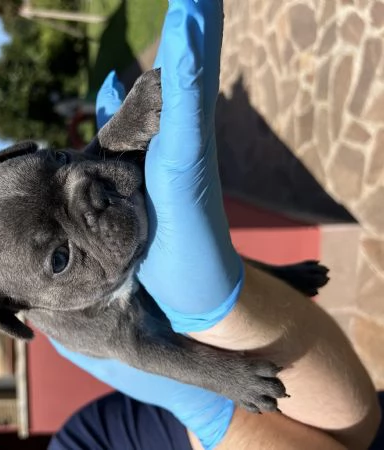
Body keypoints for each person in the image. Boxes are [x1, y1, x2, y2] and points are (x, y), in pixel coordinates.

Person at [46, 0, 382, 449]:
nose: (89, 207)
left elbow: (359, 426)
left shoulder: (89, 437)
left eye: (55, 161)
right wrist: (213, 396)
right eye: (59, 256)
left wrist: (118, 133)